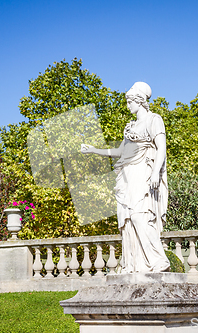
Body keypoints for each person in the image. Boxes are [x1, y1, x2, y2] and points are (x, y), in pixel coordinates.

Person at [81, 82, 170, 273]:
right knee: (128, 220)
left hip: (143, 171)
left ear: (139, 100)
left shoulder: (154, 119)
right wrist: (94, 150)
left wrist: (156, 172)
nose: (128, 105)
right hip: (128, 174)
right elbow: (121, 151)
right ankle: (134, 264)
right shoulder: (130, 127)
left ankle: (159, 260)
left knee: (140, 217)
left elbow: (161, 147)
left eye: (130, 101)